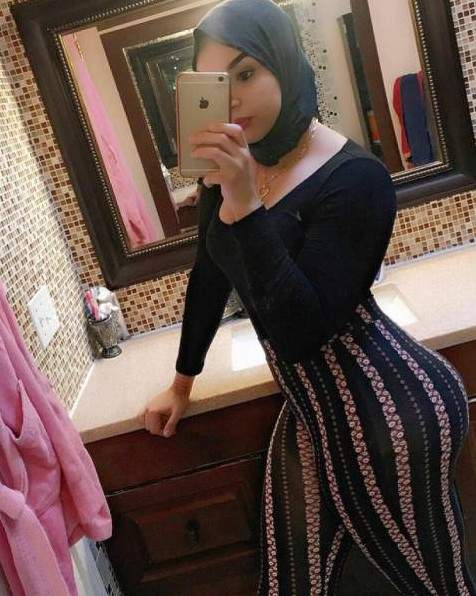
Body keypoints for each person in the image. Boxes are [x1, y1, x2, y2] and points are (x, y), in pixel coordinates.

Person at [138, 0, 476, 593]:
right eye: (217, 83)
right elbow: (210, 277)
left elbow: (302, 332)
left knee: (434, 584)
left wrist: (246, 207)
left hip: (389, 411)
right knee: (291, 583)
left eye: (246, 72)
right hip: (312, 413)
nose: (232, 98)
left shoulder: (356, 178)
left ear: (285, 63)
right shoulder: (234, 170)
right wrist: (181, 384)